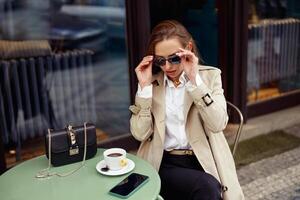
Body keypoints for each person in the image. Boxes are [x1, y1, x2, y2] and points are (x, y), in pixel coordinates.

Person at [129, 20, 244, 200]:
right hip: (164, 162)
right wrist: (143, 88)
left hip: (204, 159)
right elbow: (140, 134)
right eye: (161, 60)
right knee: (206, 187)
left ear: (188, 48)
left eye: (174, 58)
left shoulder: (210, 76)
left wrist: (194, 82)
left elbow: (218, 124)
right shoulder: (152, 84)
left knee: (208, 186)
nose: (167, 67)